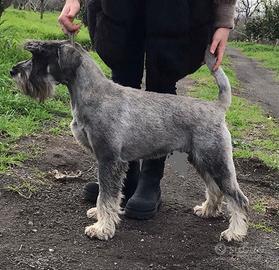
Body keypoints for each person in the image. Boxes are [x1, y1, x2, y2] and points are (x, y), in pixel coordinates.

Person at [58, 0, 237, 220]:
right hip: (119, 11)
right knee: (122, 75)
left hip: (176, 12)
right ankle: (125, 180)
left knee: (163, 75)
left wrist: (224, 21)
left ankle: (150, 180)